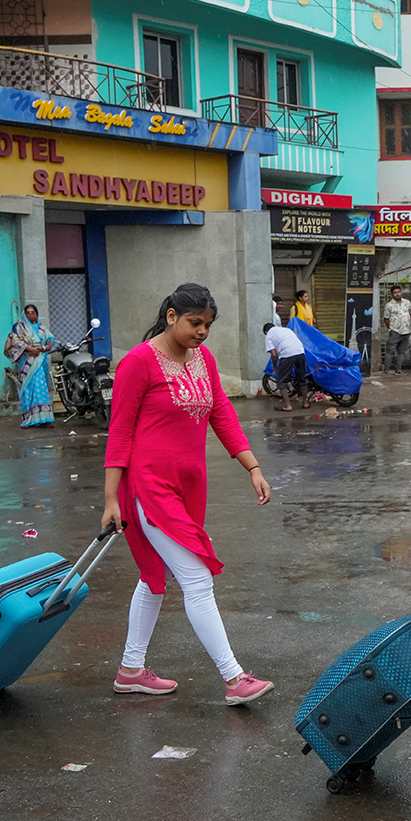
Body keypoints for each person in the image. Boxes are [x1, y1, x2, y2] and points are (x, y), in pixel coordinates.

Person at [103, 283, 275, 707]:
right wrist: (111, 499)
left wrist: (252, 467)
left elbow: (221, 413)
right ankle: (234, 679)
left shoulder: (204, 359)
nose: (202, 332)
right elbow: (120, 431)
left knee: (154, 580)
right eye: (195, 323)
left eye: (208, 325)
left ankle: (130, 671)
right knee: (196, 578)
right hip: (148, 485)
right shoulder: (138, 363)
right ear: (171, 316)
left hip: (189, 487)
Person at [5, 303, 56, 428]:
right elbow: (16, 342)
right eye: (28, 312)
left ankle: (45, 419)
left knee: (41, 388)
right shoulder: (18, 327)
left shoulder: (42, 328)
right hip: (26, 361)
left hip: (39, 360)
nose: (31, 314)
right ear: (24, 314)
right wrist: (30, 348)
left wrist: (41, 348)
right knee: (27, 388)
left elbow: (49, 343)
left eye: (34, 312)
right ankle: (28, 418)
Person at [263, 322, 310, 411]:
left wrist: (275, 367)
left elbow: (273, 354)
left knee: (282, 381)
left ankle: (288, 406)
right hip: (300, 352)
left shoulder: (269, 336)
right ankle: (305, 403)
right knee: (302, 379)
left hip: (287, 354)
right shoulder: (285, 329)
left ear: (266, 332)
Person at [382, 284, 411, 375]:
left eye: (398, 292)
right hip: (395, 331)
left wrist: (406, 323)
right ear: (392, 294)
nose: (397, 294)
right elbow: (386, 319)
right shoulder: (389, 305)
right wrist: (391, 328)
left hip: (406, 331)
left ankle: (398, 370)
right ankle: (386, 371)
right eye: (395, 293)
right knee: (390, 351)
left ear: (401, 292)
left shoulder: (407, 303)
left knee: (401, 352)